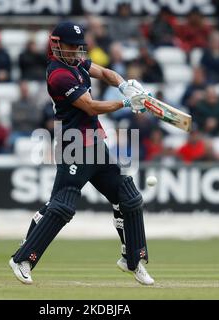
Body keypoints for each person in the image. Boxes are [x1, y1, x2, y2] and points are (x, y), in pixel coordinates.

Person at [9, 21, 154, 286]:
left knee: (129, 198)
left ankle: (132, 260)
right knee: (62, 206)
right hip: (73, 145)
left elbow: (107, 73)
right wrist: (125, 103)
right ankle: (23, 259)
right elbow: (89, 107)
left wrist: (125, 85)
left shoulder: (78, 63)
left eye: (79, 47)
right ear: (57, 45)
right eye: (71, 47)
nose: (77, 52)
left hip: (95, 143)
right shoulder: (58, 74)